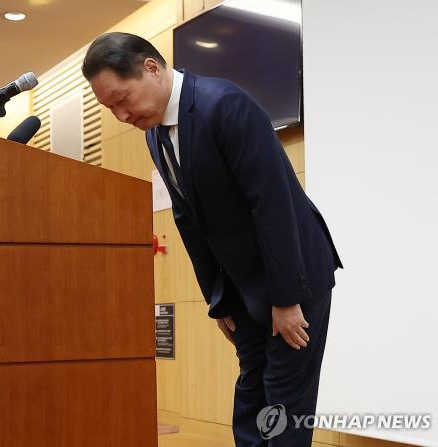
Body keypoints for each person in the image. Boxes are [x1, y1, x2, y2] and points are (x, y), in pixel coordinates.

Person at [82, 32, 343, 446]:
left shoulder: (223, 105)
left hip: (294, 276)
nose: (120, 116)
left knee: (284, 405)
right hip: (244, 286)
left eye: (122, 99)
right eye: (109, 107)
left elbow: (272, 206)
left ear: (151, 68)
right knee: (251, 395)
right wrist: (217, 299)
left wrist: (286, 299)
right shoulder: (155, 132)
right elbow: (190, 220)